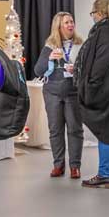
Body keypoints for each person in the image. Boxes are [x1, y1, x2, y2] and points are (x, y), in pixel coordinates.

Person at [74, 0, 109, 189]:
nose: (92, 17)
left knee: (105, 130)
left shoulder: (105, 32)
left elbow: (102, 61)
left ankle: (106, 174)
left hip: (106, 88)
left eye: (92, 13)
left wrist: (90, 84)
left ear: (100, 13)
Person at [34, 12, 84, 179]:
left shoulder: (80, 44)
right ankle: (58, 165)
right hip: (52, 93)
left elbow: (87, 69)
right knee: (55, 130)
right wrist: (49, 58)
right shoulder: (49, 46)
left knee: (75, 129)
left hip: (73, 93)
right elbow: (38, 70)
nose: (71, 25)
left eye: (72, 22)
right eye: (66, 23)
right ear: (58, 27)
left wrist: (75, 69)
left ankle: (75, 166)